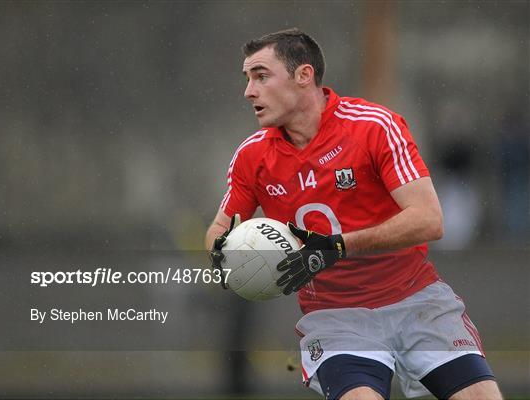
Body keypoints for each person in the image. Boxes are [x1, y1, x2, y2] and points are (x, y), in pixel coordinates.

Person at [205, 28, 502, 400]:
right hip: (335, 317)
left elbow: (429, 219)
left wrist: (338, 246)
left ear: (304, 76)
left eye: (261, 76)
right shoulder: (252, 155)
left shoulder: (373, 126)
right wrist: (220, 252)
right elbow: (221, 229)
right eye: (248, 79)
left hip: (416, 300)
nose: (249, 91)